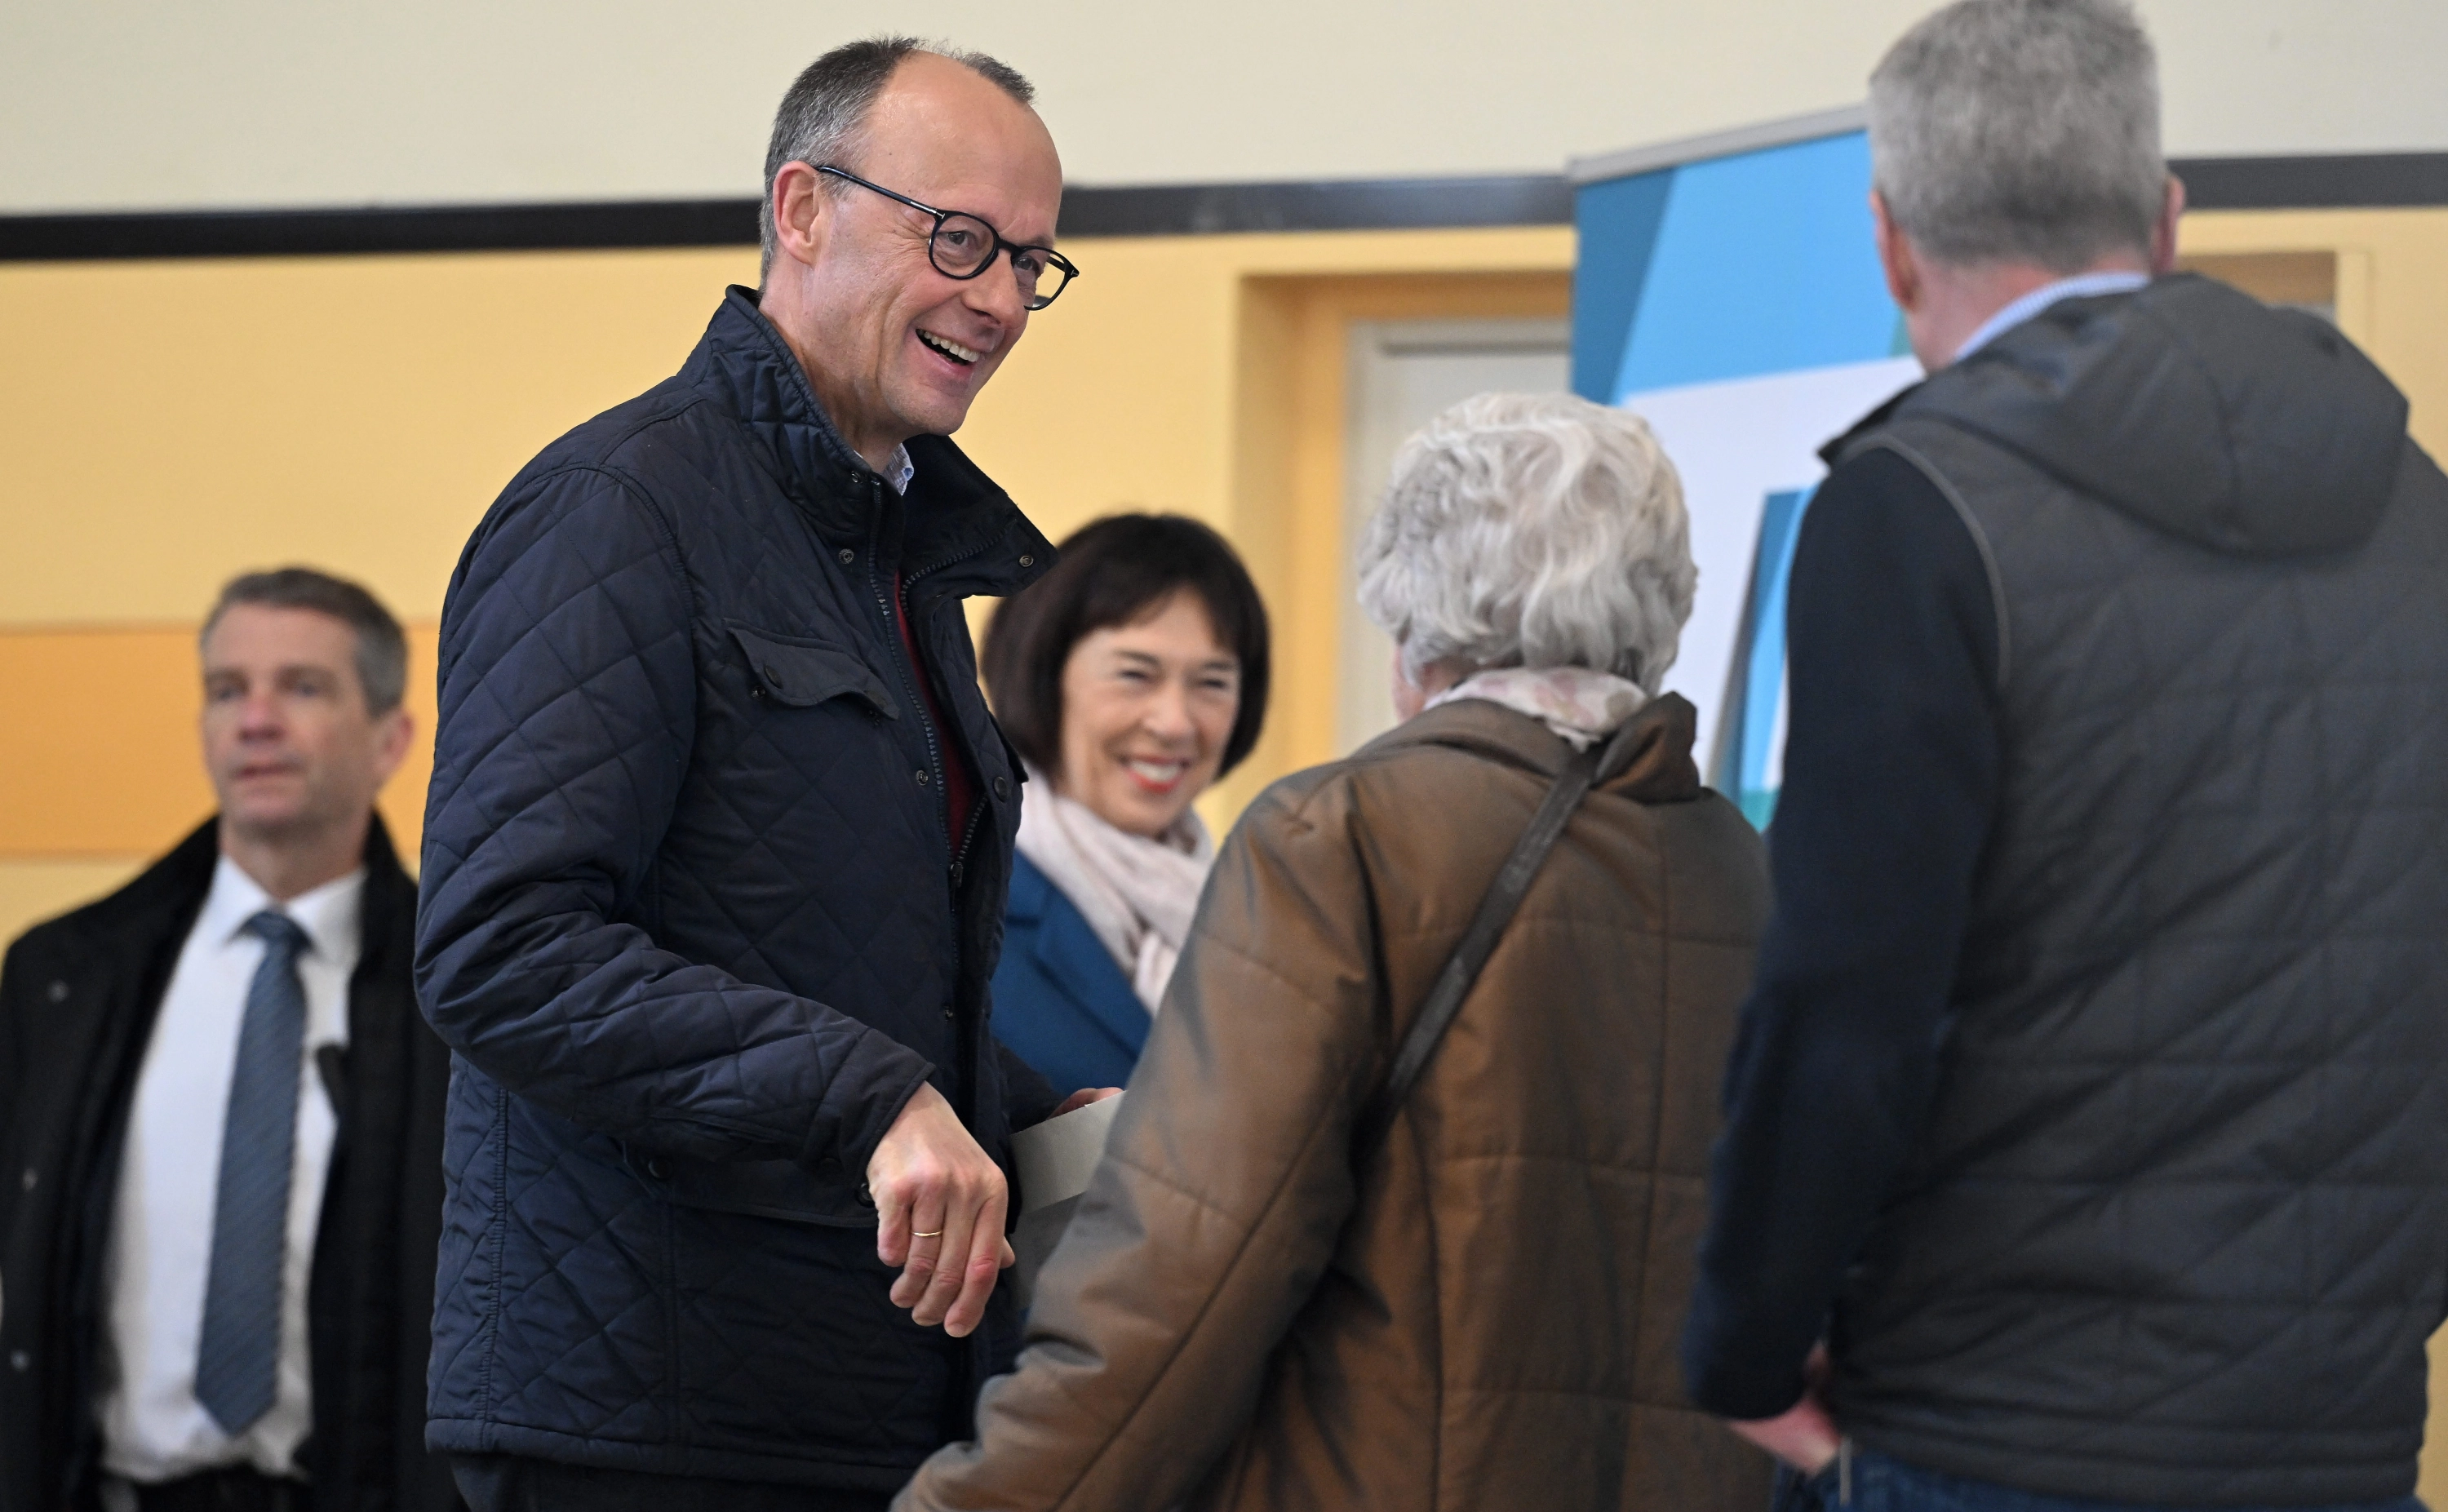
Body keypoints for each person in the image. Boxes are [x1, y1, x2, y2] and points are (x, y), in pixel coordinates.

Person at [1680, 2, 2448, 1507]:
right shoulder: (2416, 504)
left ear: (1891, 242)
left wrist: (1748, 1341)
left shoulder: (1913, 511)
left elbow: (1849, 996)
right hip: (2339, 1422)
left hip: (1990, 1425)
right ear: (2166, 218)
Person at [414, 37, 1111, 1512]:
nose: (996, 298)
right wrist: (875, 1099)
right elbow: (500, 947)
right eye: (961, 239)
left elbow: (820, 956)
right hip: (650, 1420)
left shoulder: (897, 555)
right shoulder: (618, 512)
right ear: (800, 208)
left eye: (1030, 264)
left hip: (854, 1404)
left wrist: (1035, 1114)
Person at [895, 392, 1775, 1511]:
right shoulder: (1740, 866)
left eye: (1210, 679)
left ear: (1415, 606)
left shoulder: (1344, 835)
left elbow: (1185, 1281)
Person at [0, 568, 456, 1512]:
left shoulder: (455, 996)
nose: (255, 719)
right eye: (226, 690)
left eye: (302, 686)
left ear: (392, 738)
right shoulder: (63, 978)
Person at [978, 513, 1270, 1093]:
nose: (1174, 722)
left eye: (1212, 681)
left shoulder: (1258, 923)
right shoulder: (966, 906)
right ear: (1044, 674)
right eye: (1136, 674)